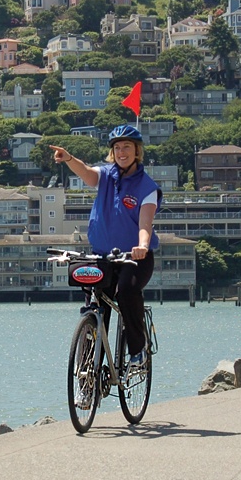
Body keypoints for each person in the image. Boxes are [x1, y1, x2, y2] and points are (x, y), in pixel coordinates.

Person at [50, 125, 160, 368]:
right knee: (95, 303)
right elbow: (88, 173)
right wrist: (68, 158)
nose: (121, 152)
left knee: (127, 291)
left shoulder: (147, 187)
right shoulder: (107, 175)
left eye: (127, 147)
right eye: (117, 147)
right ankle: (90, 368)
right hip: (103, 255)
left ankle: (137, 351)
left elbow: (145, 223)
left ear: (137, 151)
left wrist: (141, 246)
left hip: (135, 258)